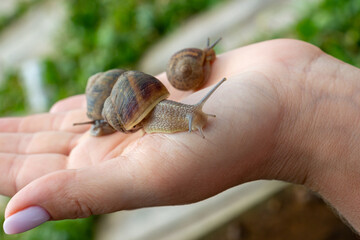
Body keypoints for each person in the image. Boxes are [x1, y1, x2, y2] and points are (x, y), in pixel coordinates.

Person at [1, 39, 360, 234]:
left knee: (187, 113)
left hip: (144, 108)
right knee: (182, 113)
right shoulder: (141, 106)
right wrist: (306, 96)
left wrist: (300, 98)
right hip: (140, 109)